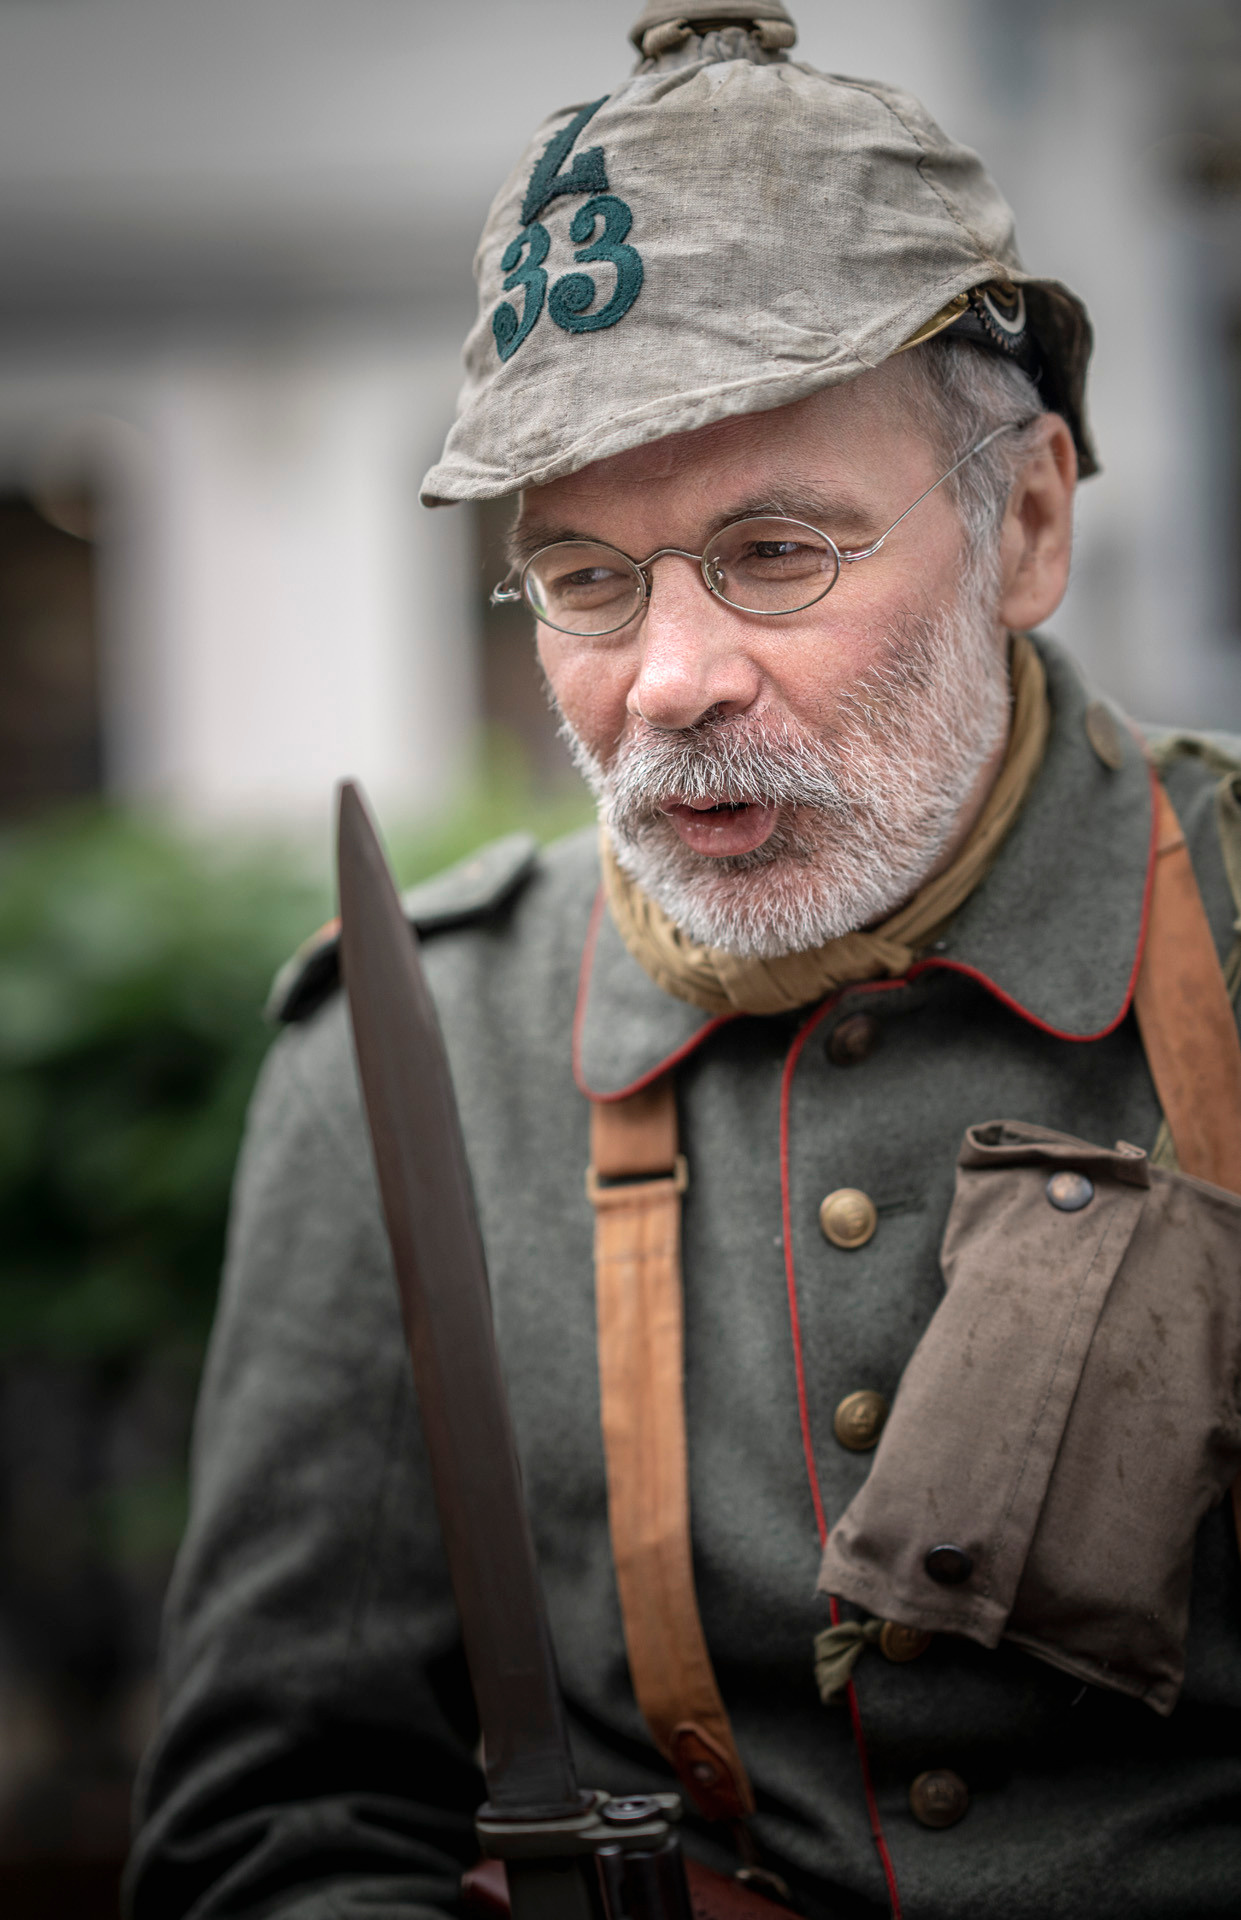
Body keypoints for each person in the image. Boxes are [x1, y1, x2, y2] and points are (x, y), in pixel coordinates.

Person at [126, 7, 1241, 1918]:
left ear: (1028, 522)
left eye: (775, 551)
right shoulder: (416, 1050)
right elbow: (280, 1835)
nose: (666, 678)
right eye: (583, 576)